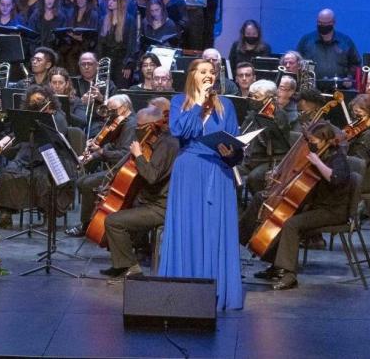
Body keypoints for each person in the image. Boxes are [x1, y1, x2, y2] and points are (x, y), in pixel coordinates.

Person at [159, 58, 243, 310]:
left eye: (212, 72)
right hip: (189, 171)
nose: (209, 76)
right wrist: (198, 103)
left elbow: (236, 145)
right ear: (192, 75)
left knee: (215, 230)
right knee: (188, 227)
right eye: (203, 72)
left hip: (217, 171)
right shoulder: (179, 102)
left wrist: (231, 153)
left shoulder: (226, 105)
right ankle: (183, 292)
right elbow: (181, 131)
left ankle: (217, 291)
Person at [249, 122, 351, 290]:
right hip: (315, 206)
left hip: (332, 210)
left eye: (314, 141)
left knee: (291, 224)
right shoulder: (318, 152)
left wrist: (318, 162)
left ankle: (289, 275)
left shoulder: (337, 157)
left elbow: (336, 179)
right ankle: (275, 266)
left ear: (326, 140)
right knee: (277, 213)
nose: (311, 144)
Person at [98, 105, 179, 279]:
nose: (137, 131)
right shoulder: (157, 141)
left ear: (151, 125)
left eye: (140, 127)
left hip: (161, 207)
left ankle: (131, 268)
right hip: (151, 200)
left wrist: (138, 155)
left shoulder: (167, 144)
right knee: (120, 211)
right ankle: (121, 263)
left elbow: (151, 176)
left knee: (113, 221)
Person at [0, 84, 73, 228]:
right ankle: (5, 216)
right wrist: (4, 140)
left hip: (49, 156)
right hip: (27, 156)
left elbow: (58, 134)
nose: (37, 104)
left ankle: (49, 217)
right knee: (8, 174)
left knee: (43, 179)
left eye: (40, 100)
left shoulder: (58, 115)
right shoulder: (26, 115)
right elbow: (17, 132)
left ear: (48, 100)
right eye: (33, 101)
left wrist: (47, 117)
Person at [66, 94, 136, 237]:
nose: (108, 114)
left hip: (123, 172)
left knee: (86, 184)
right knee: (82, 181)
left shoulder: (131, 125)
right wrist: (93, 155)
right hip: (114, 168)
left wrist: (101, 151)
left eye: (112, 110)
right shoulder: (120, 122)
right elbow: (111, 145)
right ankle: (90, 220)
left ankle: (87, 225)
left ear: (124, 108)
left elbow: (123, 154)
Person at [235, 79, 291, 194]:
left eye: (257, 97)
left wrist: (266, 123)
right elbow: (243, 134)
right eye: (251, 96)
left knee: (254, 177)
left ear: (270, 98)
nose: (252, 100)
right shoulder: (254, 113)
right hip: (250, 158)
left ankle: (257, 205)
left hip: (269, 159)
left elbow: (277, 144)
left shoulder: (279, 115)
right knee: (228, 169)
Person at [295, 8, 361, 83]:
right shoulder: (306, 40)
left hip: (339, 88)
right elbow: (297, 61)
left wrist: (349, 77)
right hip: (312, 88)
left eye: (325, 24)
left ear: (333, 23)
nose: (322, 26)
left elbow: (356, 63)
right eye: (319, 23)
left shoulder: (345, 41)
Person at [98, 0, 139, 88]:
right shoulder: (104, 19)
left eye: (114, 0)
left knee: (119, 89)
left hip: (122, 62)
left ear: (121, 2)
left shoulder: (129, 20)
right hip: (106, 61)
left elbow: (132, 44)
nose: (110, 2)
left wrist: (128, 65)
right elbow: (99, 43)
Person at [58, 0, 100, 75]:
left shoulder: (93, 14)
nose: (80, 0)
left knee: (73, 56)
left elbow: (93, 37)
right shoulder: (72, 12)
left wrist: (79, 38)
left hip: (85, 47)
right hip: (71, 45)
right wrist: (73, 36)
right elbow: (67, 30)